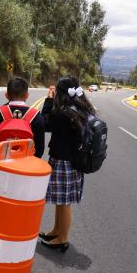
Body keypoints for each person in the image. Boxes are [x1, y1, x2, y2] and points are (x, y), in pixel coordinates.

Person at [39, 76, 95, 252]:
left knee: (64, 203)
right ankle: (57, 231)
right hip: (70, 161)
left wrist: (48, 100)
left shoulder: (65, 113)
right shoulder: (79, 109)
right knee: (61, 200)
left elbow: (44, 123)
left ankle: (63, 238)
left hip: (64, 162)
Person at [0, 77, 44, 158]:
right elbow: (39, 149)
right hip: (23, 163)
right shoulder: (36, 116)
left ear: (6, 95)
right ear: (27, 95)